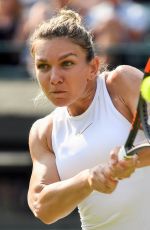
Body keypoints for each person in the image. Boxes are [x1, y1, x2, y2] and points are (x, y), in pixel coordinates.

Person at [27, 9, 150, 230]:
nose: (54, 78)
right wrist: (88, 179)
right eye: (43, 66)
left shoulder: (122, 82)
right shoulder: (43, 132)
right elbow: (42, 207)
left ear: (93, 67)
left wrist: (131, 160)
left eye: (67, 63)